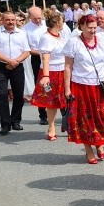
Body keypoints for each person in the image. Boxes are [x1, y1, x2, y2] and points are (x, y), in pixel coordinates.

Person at [63, 14, 104, 164]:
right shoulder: (74, 43)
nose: (93, 31)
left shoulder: (103, 41)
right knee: (85, 120)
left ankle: (99, 142)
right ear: (82, 27)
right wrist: (67, 88)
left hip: (100, 86)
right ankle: (89, 150)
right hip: (80, 86)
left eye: (95, 28)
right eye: (90, 28)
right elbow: (68, 66)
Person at [0, 12, 31, 135]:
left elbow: (27, 51)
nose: (11, 22)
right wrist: (8, 61)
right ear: (2, 20)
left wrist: (15, 61)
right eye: (8, 20)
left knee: (18, 95)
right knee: (2, 95)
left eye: (13, 20)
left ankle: (15, 121)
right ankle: (5, 124)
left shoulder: (22, 33)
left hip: (17, 65)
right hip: (1, 66)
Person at [29, 10, 68, 141]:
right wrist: (46, 76)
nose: (63, 23)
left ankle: (66, 123)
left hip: (63, 72)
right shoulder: (46, 37)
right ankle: (51, 126)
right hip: (50, 73)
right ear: (57, 22)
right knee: (51, 101)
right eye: (62, 21)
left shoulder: (60, 35)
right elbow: (45, 58)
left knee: (66, 99)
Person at [23, 6, 49, 125]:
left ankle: (53, 109)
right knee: (41, 85)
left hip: (51, 59)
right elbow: (26, 48)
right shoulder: (25, 29)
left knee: (52, 85)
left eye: (40, 18)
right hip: (37, 58)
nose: (38, 20)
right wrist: (40, 53)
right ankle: (42, 114)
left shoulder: (46, 24)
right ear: (30, 17)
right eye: (35, 19)